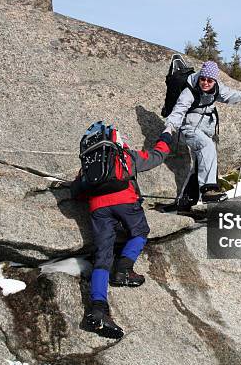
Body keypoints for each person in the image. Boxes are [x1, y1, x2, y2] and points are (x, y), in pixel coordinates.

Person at [71, 123, 172, 339]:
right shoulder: (125, 156)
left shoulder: (89, 166)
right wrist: (167, 137)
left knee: (102, 258)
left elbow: (77, 192)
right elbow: (157, 156)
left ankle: (98, 310)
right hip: (126, 202)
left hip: (98, 209)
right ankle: (124, 269)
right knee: (140, 231)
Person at [164, 60, 241, 203]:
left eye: (209, 80)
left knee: (200, 162)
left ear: (215, 81)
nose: (205, 83)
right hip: (188, 128)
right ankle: (208, 190)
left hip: (204, 128)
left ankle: (187, 198)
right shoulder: (189, 92)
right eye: (203, 79)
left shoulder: (217, 88)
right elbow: (179, 110)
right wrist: (169, 128)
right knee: (206, 146)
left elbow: (230, 95)